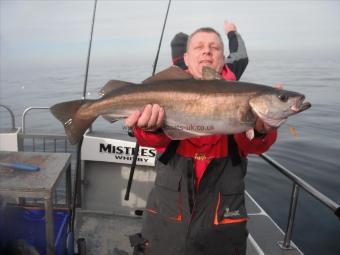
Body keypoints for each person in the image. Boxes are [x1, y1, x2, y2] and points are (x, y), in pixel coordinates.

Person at [126, 22, 277, 255]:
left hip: (223, 213)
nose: (207, 51)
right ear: (186, 57)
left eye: (214, 47)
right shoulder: (164, 88)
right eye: (199, 47)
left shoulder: (240, 93)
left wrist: (261, 130)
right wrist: (151, 128)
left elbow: (254, 146)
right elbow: (149, 142)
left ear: (223, 57)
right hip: (169, 207)